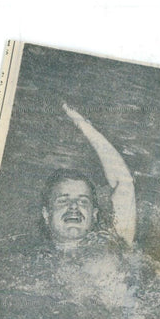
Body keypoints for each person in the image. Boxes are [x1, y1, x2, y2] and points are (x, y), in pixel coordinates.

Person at [40, 104, 136, 251]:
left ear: (94, 214)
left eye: (83, 201)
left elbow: (124, 182)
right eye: (63, 200)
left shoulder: (113, 251)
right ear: (46, 214)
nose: (74, 206)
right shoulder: (25, 261)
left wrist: (82, 124)